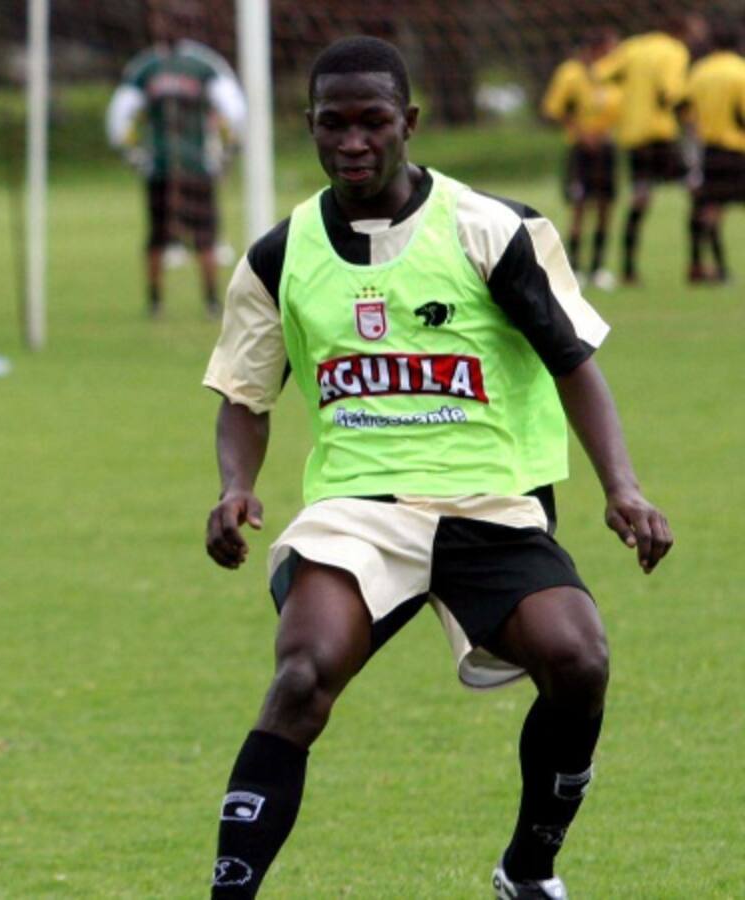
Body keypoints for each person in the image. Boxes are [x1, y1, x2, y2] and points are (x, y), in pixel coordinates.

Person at [202, 36, 672, 899]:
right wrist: (236, 487)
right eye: (331, 124)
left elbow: (574, 361)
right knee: (303, 675)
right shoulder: (279, 254)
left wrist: (623, 488)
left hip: (492, 505)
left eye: (373, 121)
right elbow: (243, 390)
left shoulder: (493, 228)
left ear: (409, 122)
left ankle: (529, 870)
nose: (352, 141)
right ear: (308, 127)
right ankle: (228, 892)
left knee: (580, 659)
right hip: (359, 512)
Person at [106, 0, 246, 318]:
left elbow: (119, 119)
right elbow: (234, 112)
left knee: (158, 238)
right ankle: (210, 302)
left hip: (161, 167)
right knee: (205, 238)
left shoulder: (145, 67)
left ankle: (156, 303)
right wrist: (228, 151)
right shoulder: (205, 65)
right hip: (197, 167)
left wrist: (133, 155)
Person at [595, 18, 691, 285]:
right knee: (698, 190)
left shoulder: (632, 47)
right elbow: (670, 92)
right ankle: (698, 263)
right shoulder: (675, 50)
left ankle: (628, 269)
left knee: (640, 199)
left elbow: (601, 73)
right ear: (680, 31)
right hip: (662, 135)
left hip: (633, 136)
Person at [540, 28, 621, 291]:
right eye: (611, 48)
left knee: (605, 208)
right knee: (579, 208)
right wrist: (580, 132)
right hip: (581, 151)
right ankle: (574, 268)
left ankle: (598, 268)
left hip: (606, 149)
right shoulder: (571, 73)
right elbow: (555, 109)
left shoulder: (613, 76)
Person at [681, 19, 745, 284]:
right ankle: (715, 269)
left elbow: (684, 109)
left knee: (709, 209)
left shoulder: (699, 71)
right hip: (738, 150)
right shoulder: (740, 72)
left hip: (709, 151)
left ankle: (705, 265)